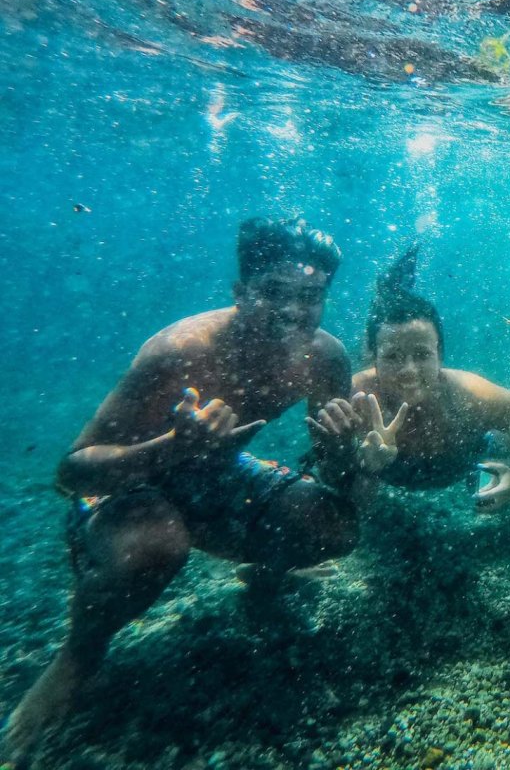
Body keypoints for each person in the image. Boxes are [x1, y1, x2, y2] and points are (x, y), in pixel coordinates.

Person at [3, 217, 364, 766]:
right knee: (153, 546)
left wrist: (343, 448)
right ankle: (77, 657)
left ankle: (262, 578)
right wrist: (171, 448)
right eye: (273, 293)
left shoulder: (326, 358)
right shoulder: (179, 352)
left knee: (331, 524)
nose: (293, 311)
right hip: (129, 483)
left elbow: (335, 477)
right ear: (240, 293)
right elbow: (72, 473)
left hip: (216, 472)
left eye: (310, 296)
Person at [307, 244, 510, 510]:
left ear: (441, 355)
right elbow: (337, 484)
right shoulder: (352, 399)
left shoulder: (470, 394)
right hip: (387, 486)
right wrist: (352, 459)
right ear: (373, 359)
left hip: (470, 461)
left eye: (422, 355)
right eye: (392, 357)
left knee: (507, 442)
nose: (409, 371)